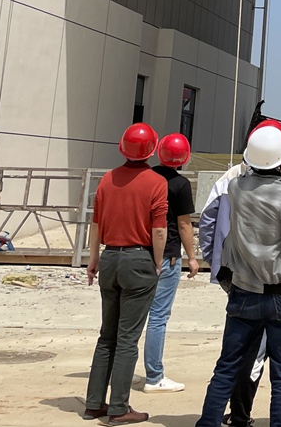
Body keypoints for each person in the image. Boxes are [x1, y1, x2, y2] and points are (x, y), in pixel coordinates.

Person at [195, 123, 281, 427]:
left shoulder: (236, 188)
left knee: (226, 367)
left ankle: (208, 422)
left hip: (243, 291)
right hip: (279, 294)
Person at [83, 122, 168, 424]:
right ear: (152, 150)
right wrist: (157, 263)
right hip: (138, 259)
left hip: (109, 257)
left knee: (107, 335)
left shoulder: (107, 179)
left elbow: (96, 223)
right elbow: (159, 230)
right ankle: (119, 407)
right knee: (128, 338)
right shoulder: (156, 182)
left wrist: (94, 258)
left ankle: (94, 403)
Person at [142, 132, 198, 394]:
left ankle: (118, 371)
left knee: (131, 317)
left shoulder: (146, 177)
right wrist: (192, 257)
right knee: (158, 317)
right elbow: (184, 224)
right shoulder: (180, 184)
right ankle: (154, 377)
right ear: (184, 158)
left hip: (141, 253)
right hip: (168, 255)